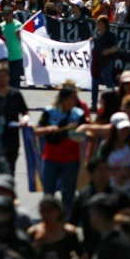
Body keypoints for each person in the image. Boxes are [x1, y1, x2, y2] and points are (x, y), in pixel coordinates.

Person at [34, 86, 85, 218]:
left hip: (71, 159)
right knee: (48, 193)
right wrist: (49, 129)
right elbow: (37, 131)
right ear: (64, 99)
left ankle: (65, 221)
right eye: (72, 97)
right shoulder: (49, 112)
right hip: (51, 158)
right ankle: (48, 218)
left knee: (68, 194)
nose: (75, 100)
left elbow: (86, 132)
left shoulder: (79, 114)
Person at [27, 195, 82, 259]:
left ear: (58, 211)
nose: (46, 214)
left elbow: (82, 257)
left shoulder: (68, 232)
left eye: (49, 210)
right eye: (42, 211)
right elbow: (25, 258)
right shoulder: (34, 232)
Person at [86, 193, 130, 259]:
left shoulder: (116, 244)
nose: (89, 217)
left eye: (92, 213)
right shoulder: (106, 238)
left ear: (100, 215)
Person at [91, 15, 119, 112]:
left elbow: (116, 47)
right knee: (94, 83)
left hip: (107, 62)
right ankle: (93, 105)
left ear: (104, 24)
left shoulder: (111, 35)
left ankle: (114, 103)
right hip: (96, 62)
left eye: (99, 22)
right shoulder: (96, 35)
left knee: (108, 82)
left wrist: (107, 51)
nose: (97, 24)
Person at [0, 5, 23, 87]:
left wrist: (19, 34)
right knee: (7, 80)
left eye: (7, 15)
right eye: (4, 15)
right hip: (5, 57)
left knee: (15, 80)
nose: (5, 17)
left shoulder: (18, 25)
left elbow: (22, 40)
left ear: (11, 14)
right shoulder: (1, 26)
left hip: (16, 56)